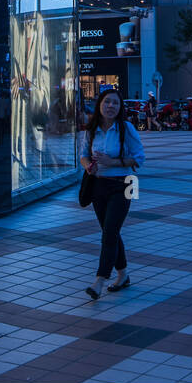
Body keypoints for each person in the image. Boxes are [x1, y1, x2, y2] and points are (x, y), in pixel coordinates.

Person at [80, 89, 145, 299]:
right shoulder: (91, 129)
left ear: (120, 108)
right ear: (99, 104)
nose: (110, 106)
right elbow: (83, 156)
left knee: (109, 232)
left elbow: (139, 159)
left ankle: (99, 280)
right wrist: (89, 165)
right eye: (107, 102)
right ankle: (123, 275)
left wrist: (112, 162)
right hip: (99, 184)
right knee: (111, 231)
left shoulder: (126, 129)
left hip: (125, 183)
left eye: (115, 103)